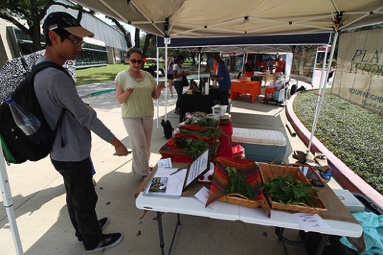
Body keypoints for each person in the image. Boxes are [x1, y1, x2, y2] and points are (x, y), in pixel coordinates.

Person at [34, 12, 130, 252]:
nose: (79, 47)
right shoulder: (56, 77)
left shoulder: (40, 68)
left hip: (60, 150)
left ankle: (82, 230)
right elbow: (86, 117)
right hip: (73, 152)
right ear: (53, 37)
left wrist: (77, 105)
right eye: (75, 41)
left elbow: (62, 107)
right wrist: (116, 142)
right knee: (85, 198)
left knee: (73, 195)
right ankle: (92, 240)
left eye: (81, 42)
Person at [115, 47, 165, 179]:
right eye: (133, 61)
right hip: (131, 116)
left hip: (147, 113)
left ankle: (143, 166)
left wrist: (159, 89)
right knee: (140, 144)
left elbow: (154, 96)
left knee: (147, 144)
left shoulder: (148, 75)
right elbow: (120, 100)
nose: (136, 64)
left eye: (139, 61)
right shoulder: (121, 76)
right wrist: (126, 93)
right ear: (128, 60)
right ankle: (144, 174)